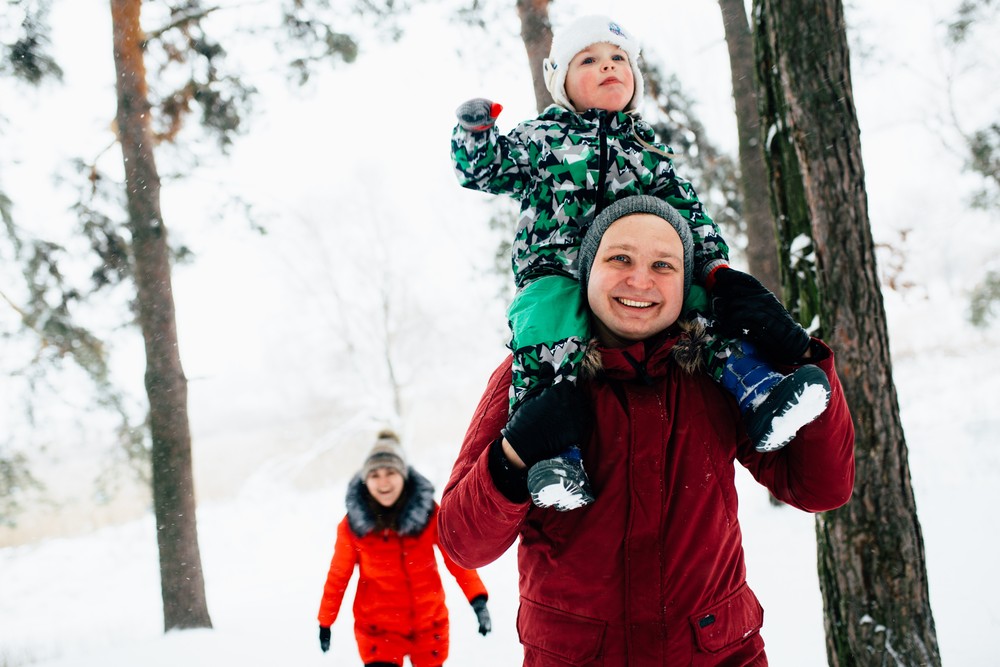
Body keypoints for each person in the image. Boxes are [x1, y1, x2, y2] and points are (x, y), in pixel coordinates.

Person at [437, 195, 855, 665]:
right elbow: (462, 543)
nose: (640, 280)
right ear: (588, 271)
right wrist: (513, 453)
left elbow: (820, 488)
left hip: (716, 654)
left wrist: (798, 355)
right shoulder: (528, 377)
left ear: (685, 281)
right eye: (620, 258)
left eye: (663, 264)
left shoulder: (719, 372)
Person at [451, 15, 831, 512]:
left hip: (639, 269)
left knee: (702, 307)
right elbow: (488, 170)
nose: (608, 66)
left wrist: (713, 269)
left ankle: (756, 388)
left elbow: (687, 209)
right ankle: (555, 456)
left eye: (618, 59)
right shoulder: (543, 137)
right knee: (543, 330)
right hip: (557, 267)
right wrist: (476, 132)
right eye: (589, 60)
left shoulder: (646, 146)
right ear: (560, 82)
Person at [316, 430, 492, 666]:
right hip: (379, 632)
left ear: (403, 475)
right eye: (375, 475)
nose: (383, 482)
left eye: (390, 472)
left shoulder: (428, 513)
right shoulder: (353, 526)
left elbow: (456, 559)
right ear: (366, 480)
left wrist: (477, 599)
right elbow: (338, 576)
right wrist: (325, 621)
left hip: (429, 627)